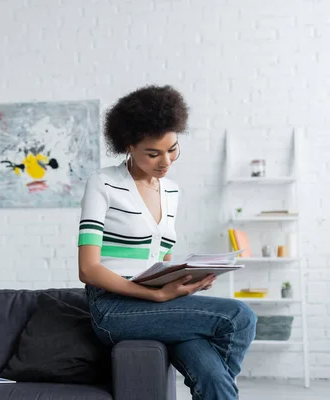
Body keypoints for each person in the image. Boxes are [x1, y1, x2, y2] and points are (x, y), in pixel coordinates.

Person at [78, 85, 257, 400]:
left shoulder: (171, 191)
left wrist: (186, 281)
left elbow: (162, 260)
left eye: (172, 149)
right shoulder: (103, 184)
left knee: (213, 379)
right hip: (114, 309)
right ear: (129, 146)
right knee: (240, 316)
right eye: (153, 153)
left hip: (160, 304)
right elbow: (89, 269)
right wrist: (158, 297)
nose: (166, 161)